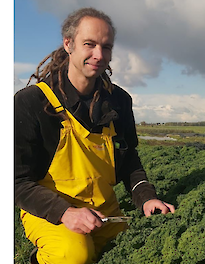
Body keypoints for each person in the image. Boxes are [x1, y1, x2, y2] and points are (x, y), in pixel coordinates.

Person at [14, 7, 175, 264]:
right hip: (50, 208)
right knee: (73, 255)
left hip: (104, 211)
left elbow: (129, 159)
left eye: (106, 47)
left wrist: (147, 197)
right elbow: (16, 181)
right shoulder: (32, 102)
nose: (99, 55)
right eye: (89, 44)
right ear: (69, 44)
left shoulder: (119, 101)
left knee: (136, 247)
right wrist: (65, 212)